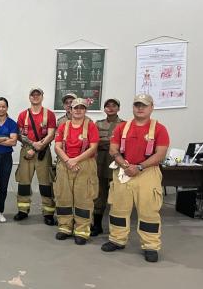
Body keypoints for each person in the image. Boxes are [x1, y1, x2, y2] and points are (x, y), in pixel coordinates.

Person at [101, 94, 169, 262]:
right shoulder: (122, 128)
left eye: (144, 105)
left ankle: (151, 245)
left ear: (151, 107)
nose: (140, 108)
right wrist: (125, 166)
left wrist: (139, 167)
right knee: (118, 208)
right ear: (133, 107)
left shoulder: (159, 129)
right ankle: (117, 239)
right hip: (124, 170)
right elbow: (113, 150)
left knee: (149, 211)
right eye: (137, 105)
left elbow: (160, 154)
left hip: (147, 173)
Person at [54, 98, 100, 244]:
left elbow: (93, 147)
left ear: (85, 110)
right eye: (75, 108)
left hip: (84, 165)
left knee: (84, 198)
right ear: (70, 110)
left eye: (82, 107)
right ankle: (65, 227)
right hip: (65, 164)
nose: (78, 110)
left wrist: (75, 160)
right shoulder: (63, 126)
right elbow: (57, 146)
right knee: (63, 196)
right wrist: (68, 161)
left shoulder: (91, 126)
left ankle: (82, 230)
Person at [14, 87, 57, 225]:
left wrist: (40, 145)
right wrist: (33, 145)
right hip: (27, 151)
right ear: (29, 97)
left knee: (46, 183)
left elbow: (51, 134)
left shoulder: (49, 114)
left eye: (38, 95)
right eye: (33, 95)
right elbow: (20, 135)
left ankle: (48, 213)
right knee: (24, 182)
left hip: (44, 151)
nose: (35, 97)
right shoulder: (22, 115)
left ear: (42, 97)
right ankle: (23, 210)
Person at [91, 98, 124, 236]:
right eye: (107, 106)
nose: (110, 108)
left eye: (114, 105)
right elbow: (93, 142)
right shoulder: (97, 124)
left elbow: (123, 144)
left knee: (118, 195)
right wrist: (109, 142)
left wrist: (105, 143)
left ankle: (117, 229)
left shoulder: (124, 125)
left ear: (118, 108)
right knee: (99, 195)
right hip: (100, 162)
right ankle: (97, 226)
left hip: (116, 162)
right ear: (104, 109)